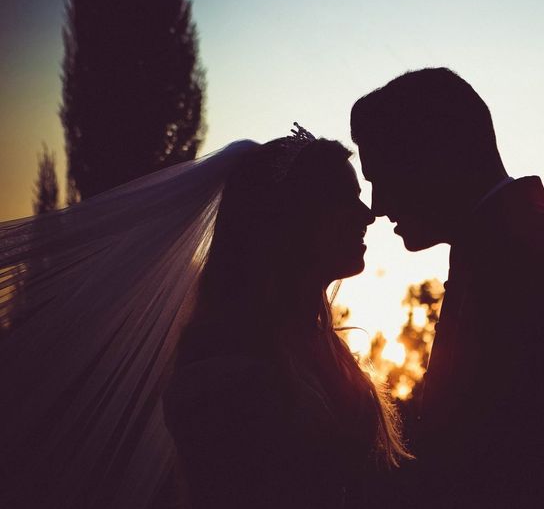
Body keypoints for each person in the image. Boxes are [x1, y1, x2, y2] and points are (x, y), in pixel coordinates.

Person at [0, 127, 409, 509]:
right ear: (292, 220)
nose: (366, 214)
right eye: (344, 197)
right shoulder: (224, 360)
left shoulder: (317, 344)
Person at [351, 68, 544, 508]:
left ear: (434, 156)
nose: (376, 206)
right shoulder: (512, 242)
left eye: (383, 176)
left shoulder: (520, 266)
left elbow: (491, 464)